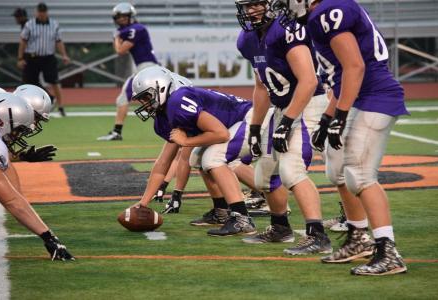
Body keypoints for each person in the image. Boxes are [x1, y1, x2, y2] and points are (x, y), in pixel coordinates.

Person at [276, 0, 409, 275]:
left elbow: (355, 67)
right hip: (357, 98)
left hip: (374, 98)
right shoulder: (321, 16)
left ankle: (389, 250)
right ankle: (359, 237)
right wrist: (327, 117)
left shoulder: (326, 12)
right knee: (338, 171)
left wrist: (341, 116)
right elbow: (339, 77)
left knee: (360, 176)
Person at [131, 66, 282, 236]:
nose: (144, 104)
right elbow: (163, 163)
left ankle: (242, 219)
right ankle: (221, 211)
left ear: (162, 87)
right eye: (141, 100)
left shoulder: (178, 101)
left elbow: (221, 134)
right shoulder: (162, 119)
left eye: (146, 97)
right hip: (237, 124)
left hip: (253, 118)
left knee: (212, 158)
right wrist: (143, 203)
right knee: (197, 157)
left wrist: (187, 141)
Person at [234, 0, 332, 254]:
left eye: (256, 4)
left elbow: (309, 81)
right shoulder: (247, 40)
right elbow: (261, 87)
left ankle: (317, 236)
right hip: (281, 110)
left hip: (308, 104)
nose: (251, 10)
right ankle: (280, 228)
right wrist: (255, 127)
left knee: (292, 170)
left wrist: (288, 121)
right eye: (246, 6)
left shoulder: (286, 29)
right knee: (264, 177)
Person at [0, 92, 74, 261]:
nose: (17, 136)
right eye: (17, 130)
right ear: (1, 121)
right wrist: (49, 238)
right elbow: (12, 201)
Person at [97, 2, 158, 141]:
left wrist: (116, 37)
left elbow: (120, 50)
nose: (121, 20)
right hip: (148, 68)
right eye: (119, 18)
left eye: (124, 17)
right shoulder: (134, 29)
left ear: (131, 16)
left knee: (123, 98)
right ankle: (174, 125)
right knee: (151, 103)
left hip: (146, 68)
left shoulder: (136, 29)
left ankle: (116, 132)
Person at [17, 2, 70, 117]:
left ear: (46, 12)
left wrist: (64, 55)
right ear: (36, 12)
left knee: (54, 81)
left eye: (43, 12)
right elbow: (23, 41)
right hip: (32, 57)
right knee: (30, 82)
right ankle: (46, 100)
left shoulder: (54, 24)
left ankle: (60, 106)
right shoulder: (29, 24)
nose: (41, 14)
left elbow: (59, 41)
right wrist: (20, 58)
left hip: (48, 57)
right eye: (40, 12)